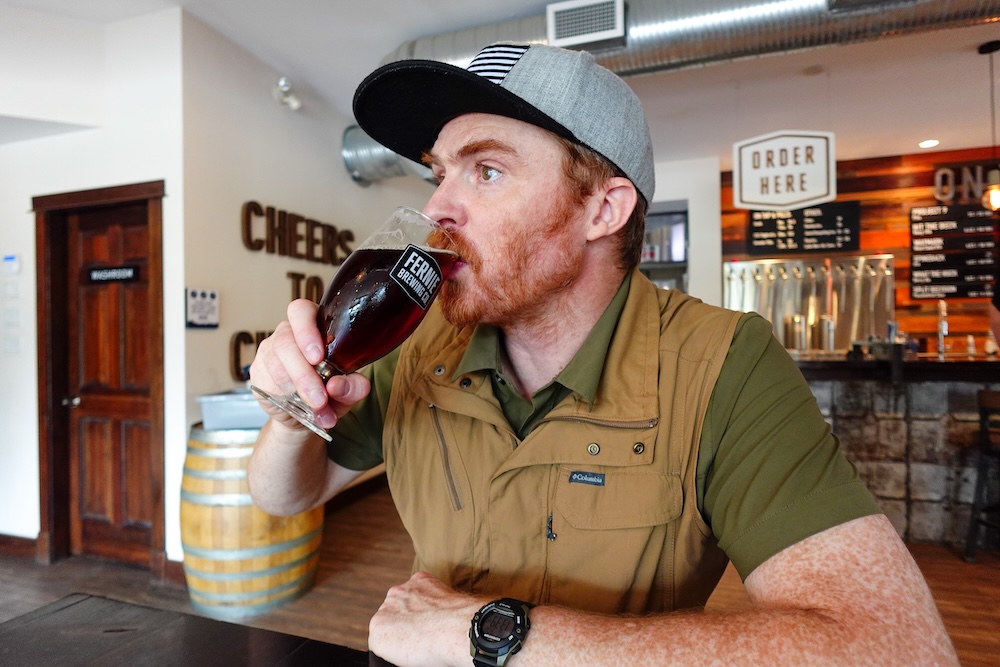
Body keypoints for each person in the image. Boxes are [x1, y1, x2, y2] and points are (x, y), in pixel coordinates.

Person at [247, 42, 958, 666]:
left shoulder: (721, 364)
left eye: (486, 171)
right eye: (440, 174)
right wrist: (289, 410)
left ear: (604, 210)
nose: (438, 210)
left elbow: (900, 649)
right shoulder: (415, 343)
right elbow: (287, 495)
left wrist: (484, 632)